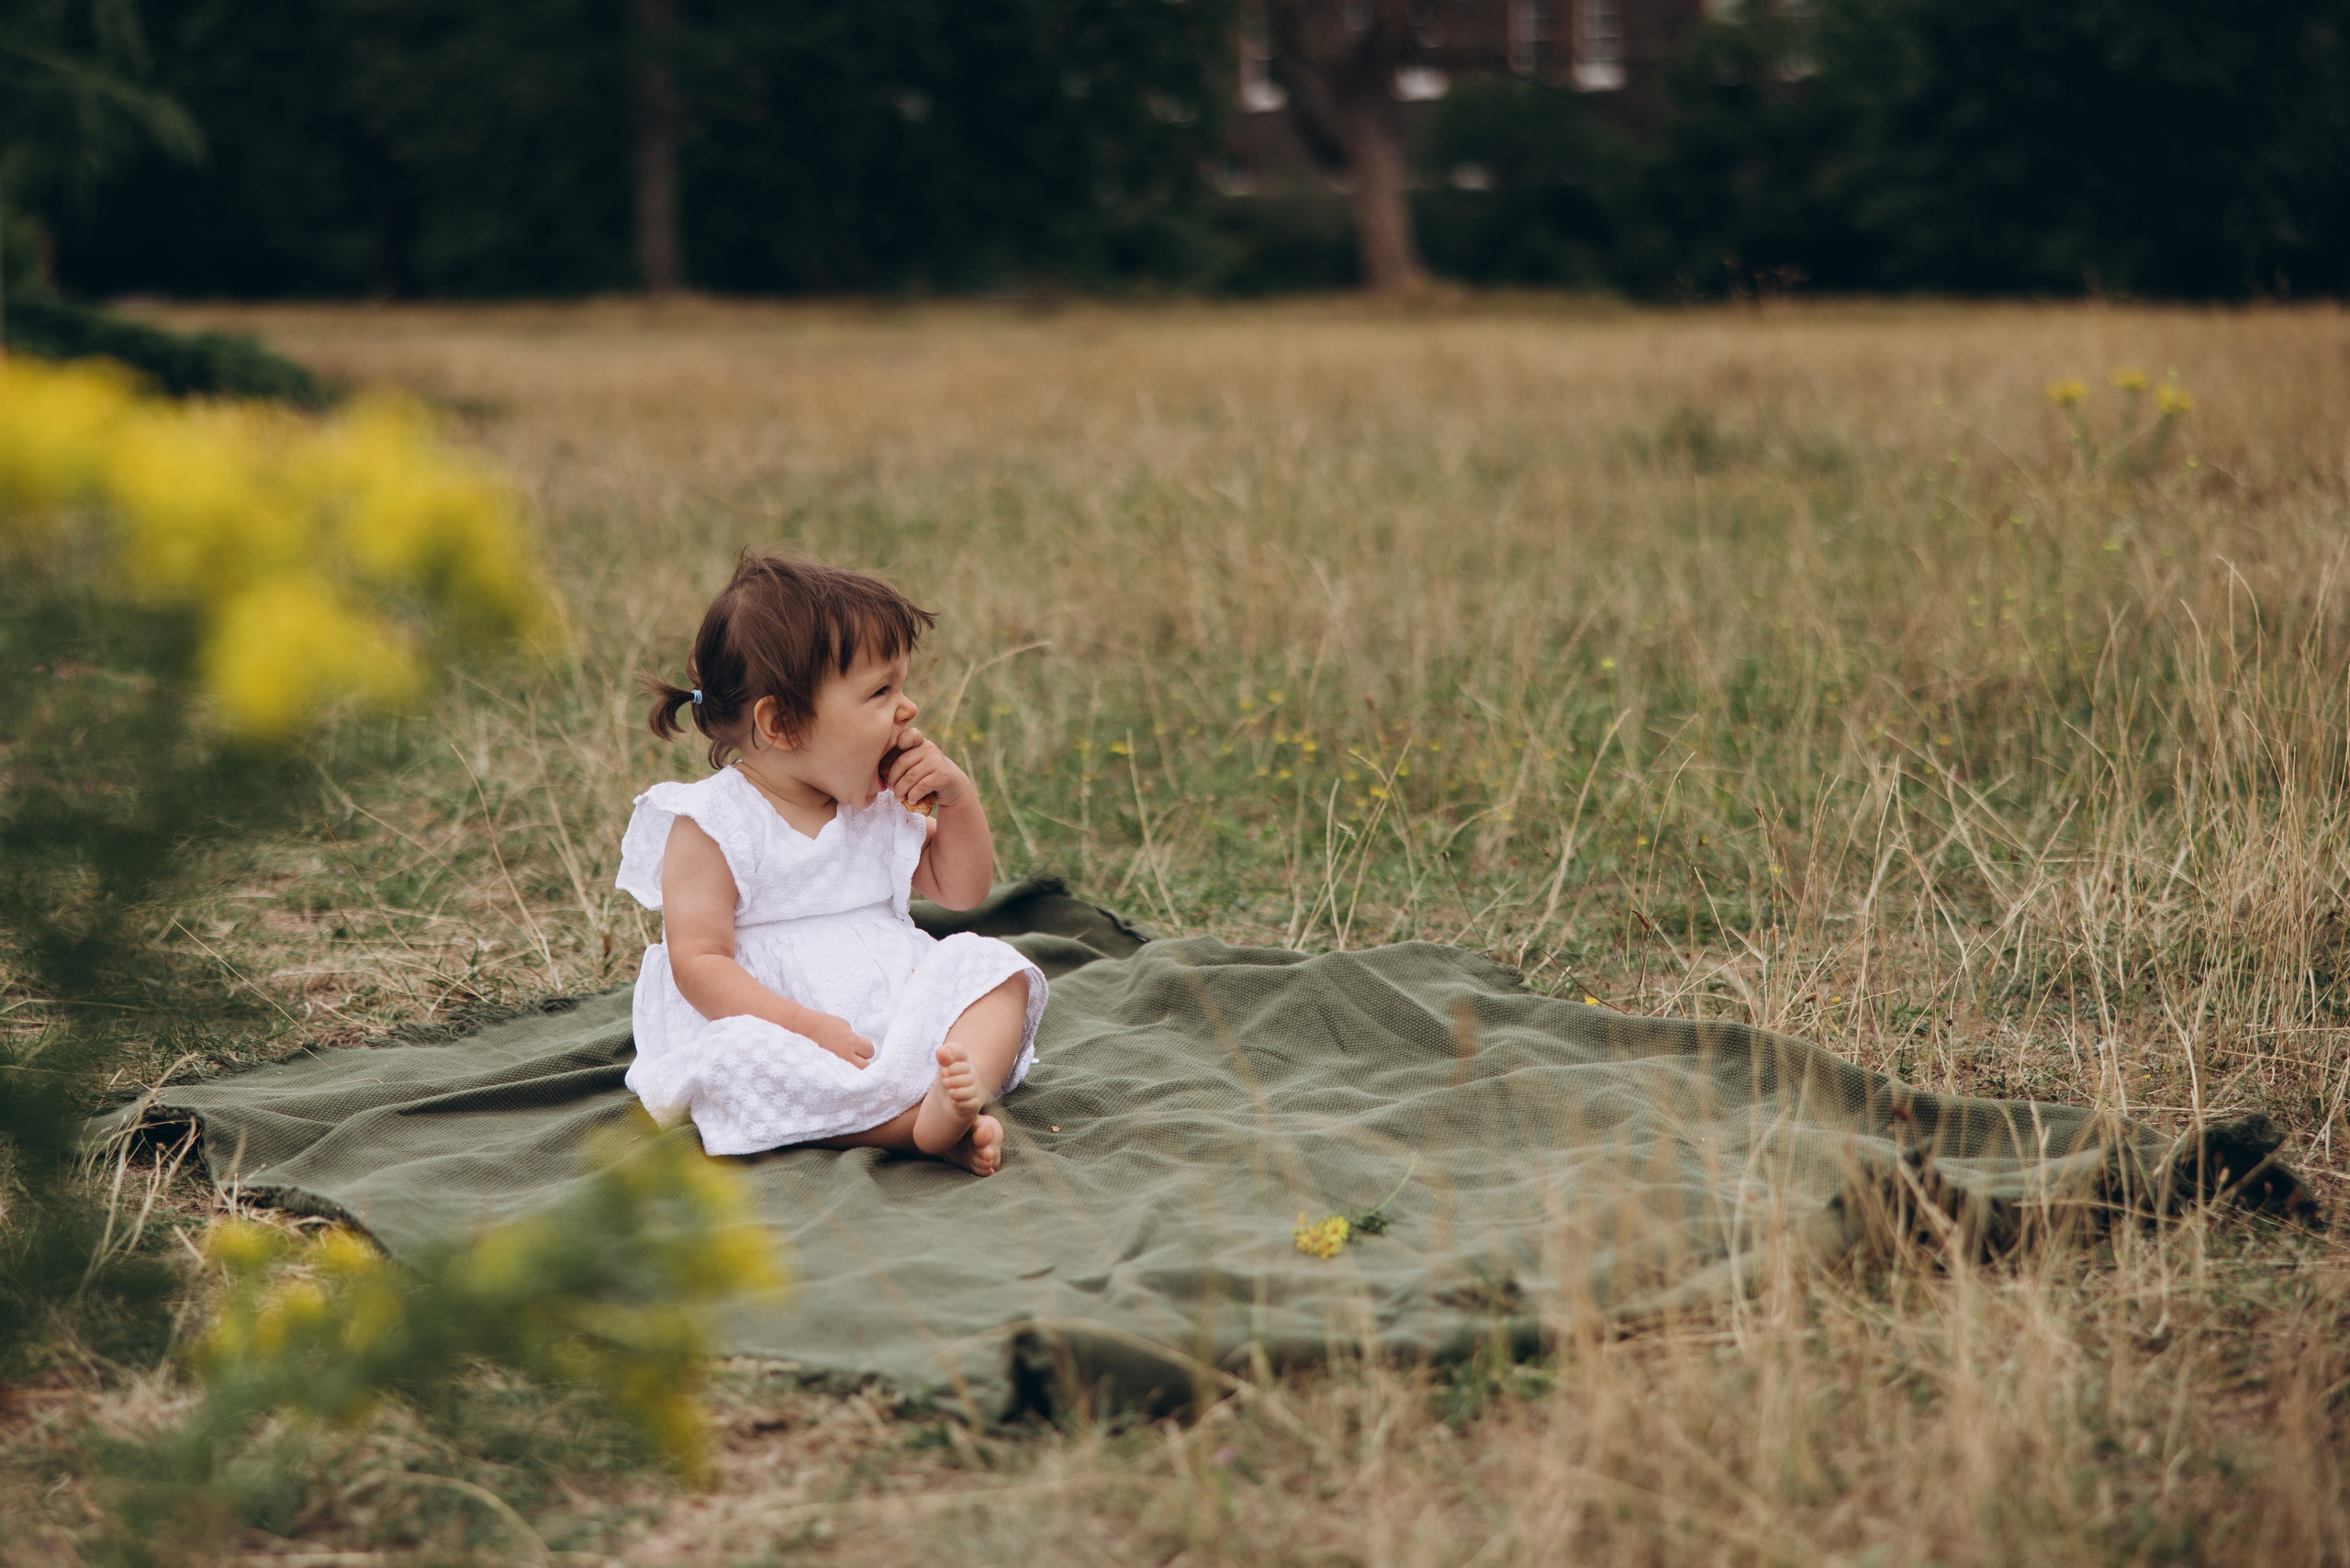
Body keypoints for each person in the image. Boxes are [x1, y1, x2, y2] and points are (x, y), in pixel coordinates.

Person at [617, 553, 1044, 1174]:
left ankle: (958, 1082)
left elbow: (962, 890)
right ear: (783, 723)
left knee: (995, 969)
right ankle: (915, 1128)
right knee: (731, 1062)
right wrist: (804, 1028)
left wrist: (957, 798)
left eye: (901, 686)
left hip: (891, 1009)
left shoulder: (875, 805)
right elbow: (698, 963)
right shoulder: (713, 823)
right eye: (880, 692)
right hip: (775, 1021)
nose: (909, 709)